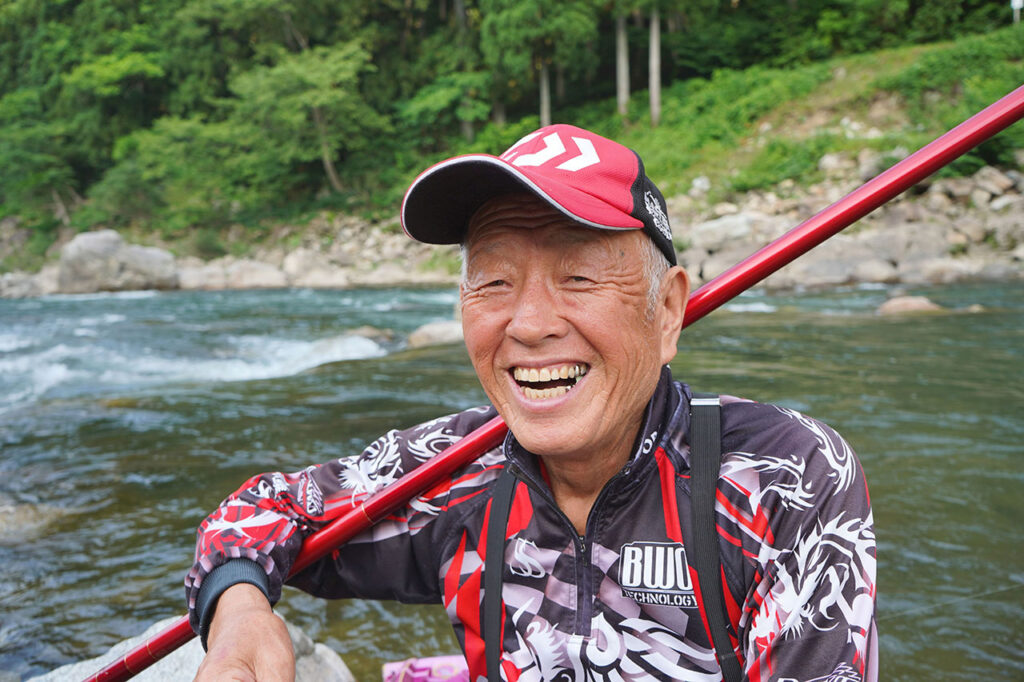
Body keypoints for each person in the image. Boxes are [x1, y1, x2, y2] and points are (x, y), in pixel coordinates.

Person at [186, 124, 877, 682]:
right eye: (493, 281)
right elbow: (260, 511)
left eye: (577, 274)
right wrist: (241, 612)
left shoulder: (785, 476)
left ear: (667, 312)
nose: (529, 323)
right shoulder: (457, 471)